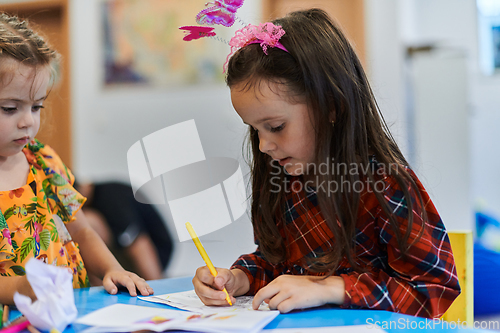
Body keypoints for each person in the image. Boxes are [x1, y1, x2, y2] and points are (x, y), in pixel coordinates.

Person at [192, 9, 460, 318]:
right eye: (255, 130)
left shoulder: (384, 184)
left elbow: (433, 289)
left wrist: (331, 287)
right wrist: (240, 278)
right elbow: (276, 265)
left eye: (276, 126)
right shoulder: (284, 179)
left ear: (330, 106)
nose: (264, 145)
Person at [0, 13, 153, 304]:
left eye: (36, 107)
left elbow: (82, 230)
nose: (27, 122)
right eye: (10, 108)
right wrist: (19, 289)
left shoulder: (44, 162)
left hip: (71, 311)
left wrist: (112, 269)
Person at [75, 181, 173, 281]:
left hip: (156, 251)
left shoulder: (111, 198)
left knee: (89, 221)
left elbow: (139, 243)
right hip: (126, 253)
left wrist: (155, 284)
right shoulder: (95, 198)